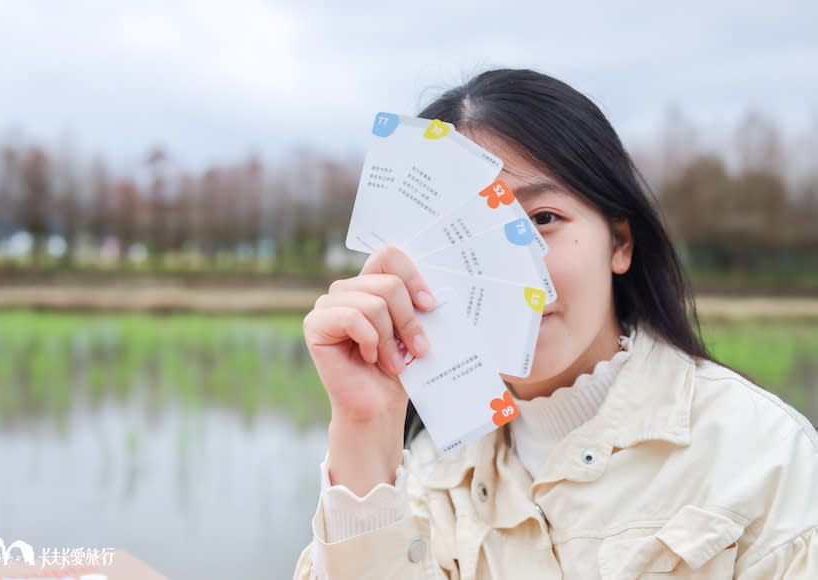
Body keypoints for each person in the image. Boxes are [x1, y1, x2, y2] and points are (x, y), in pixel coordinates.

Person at [294, 69, 818, 579]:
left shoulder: (762, 456)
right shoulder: (424, 482)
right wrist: (364, 428)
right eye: (470, 233)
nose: (514, 267)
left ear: (619, 243)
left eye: (543, 219)